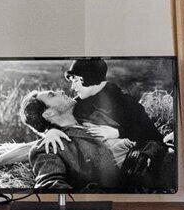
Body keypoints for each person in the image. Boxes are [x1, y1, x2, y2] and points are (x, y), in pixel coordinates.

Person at [38, 57, 170, 188]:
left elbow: (155, 137)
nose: (72, 87)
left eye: (76, 80)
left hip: (146, 164)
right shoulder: (78, 103)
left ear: (89, 79)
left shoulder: (127, 103)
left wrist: (118, 132)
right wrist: (50, 132)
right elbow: (56, 118)